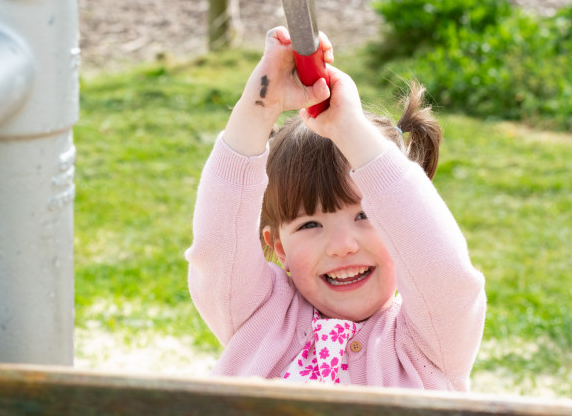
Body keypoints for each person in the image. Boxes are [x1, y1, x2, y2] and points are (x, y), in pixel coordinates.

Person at [186, 27, 485, 390]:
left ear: (398, 228)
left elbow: (443, 269)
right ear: (279, 248)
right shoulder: (258, 315)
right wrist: (260, 104)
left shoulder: (431, 343)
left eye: (365, 216)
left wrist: (350, 129)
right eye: (310, 225)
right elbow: (219, 243)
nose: (342, 245)